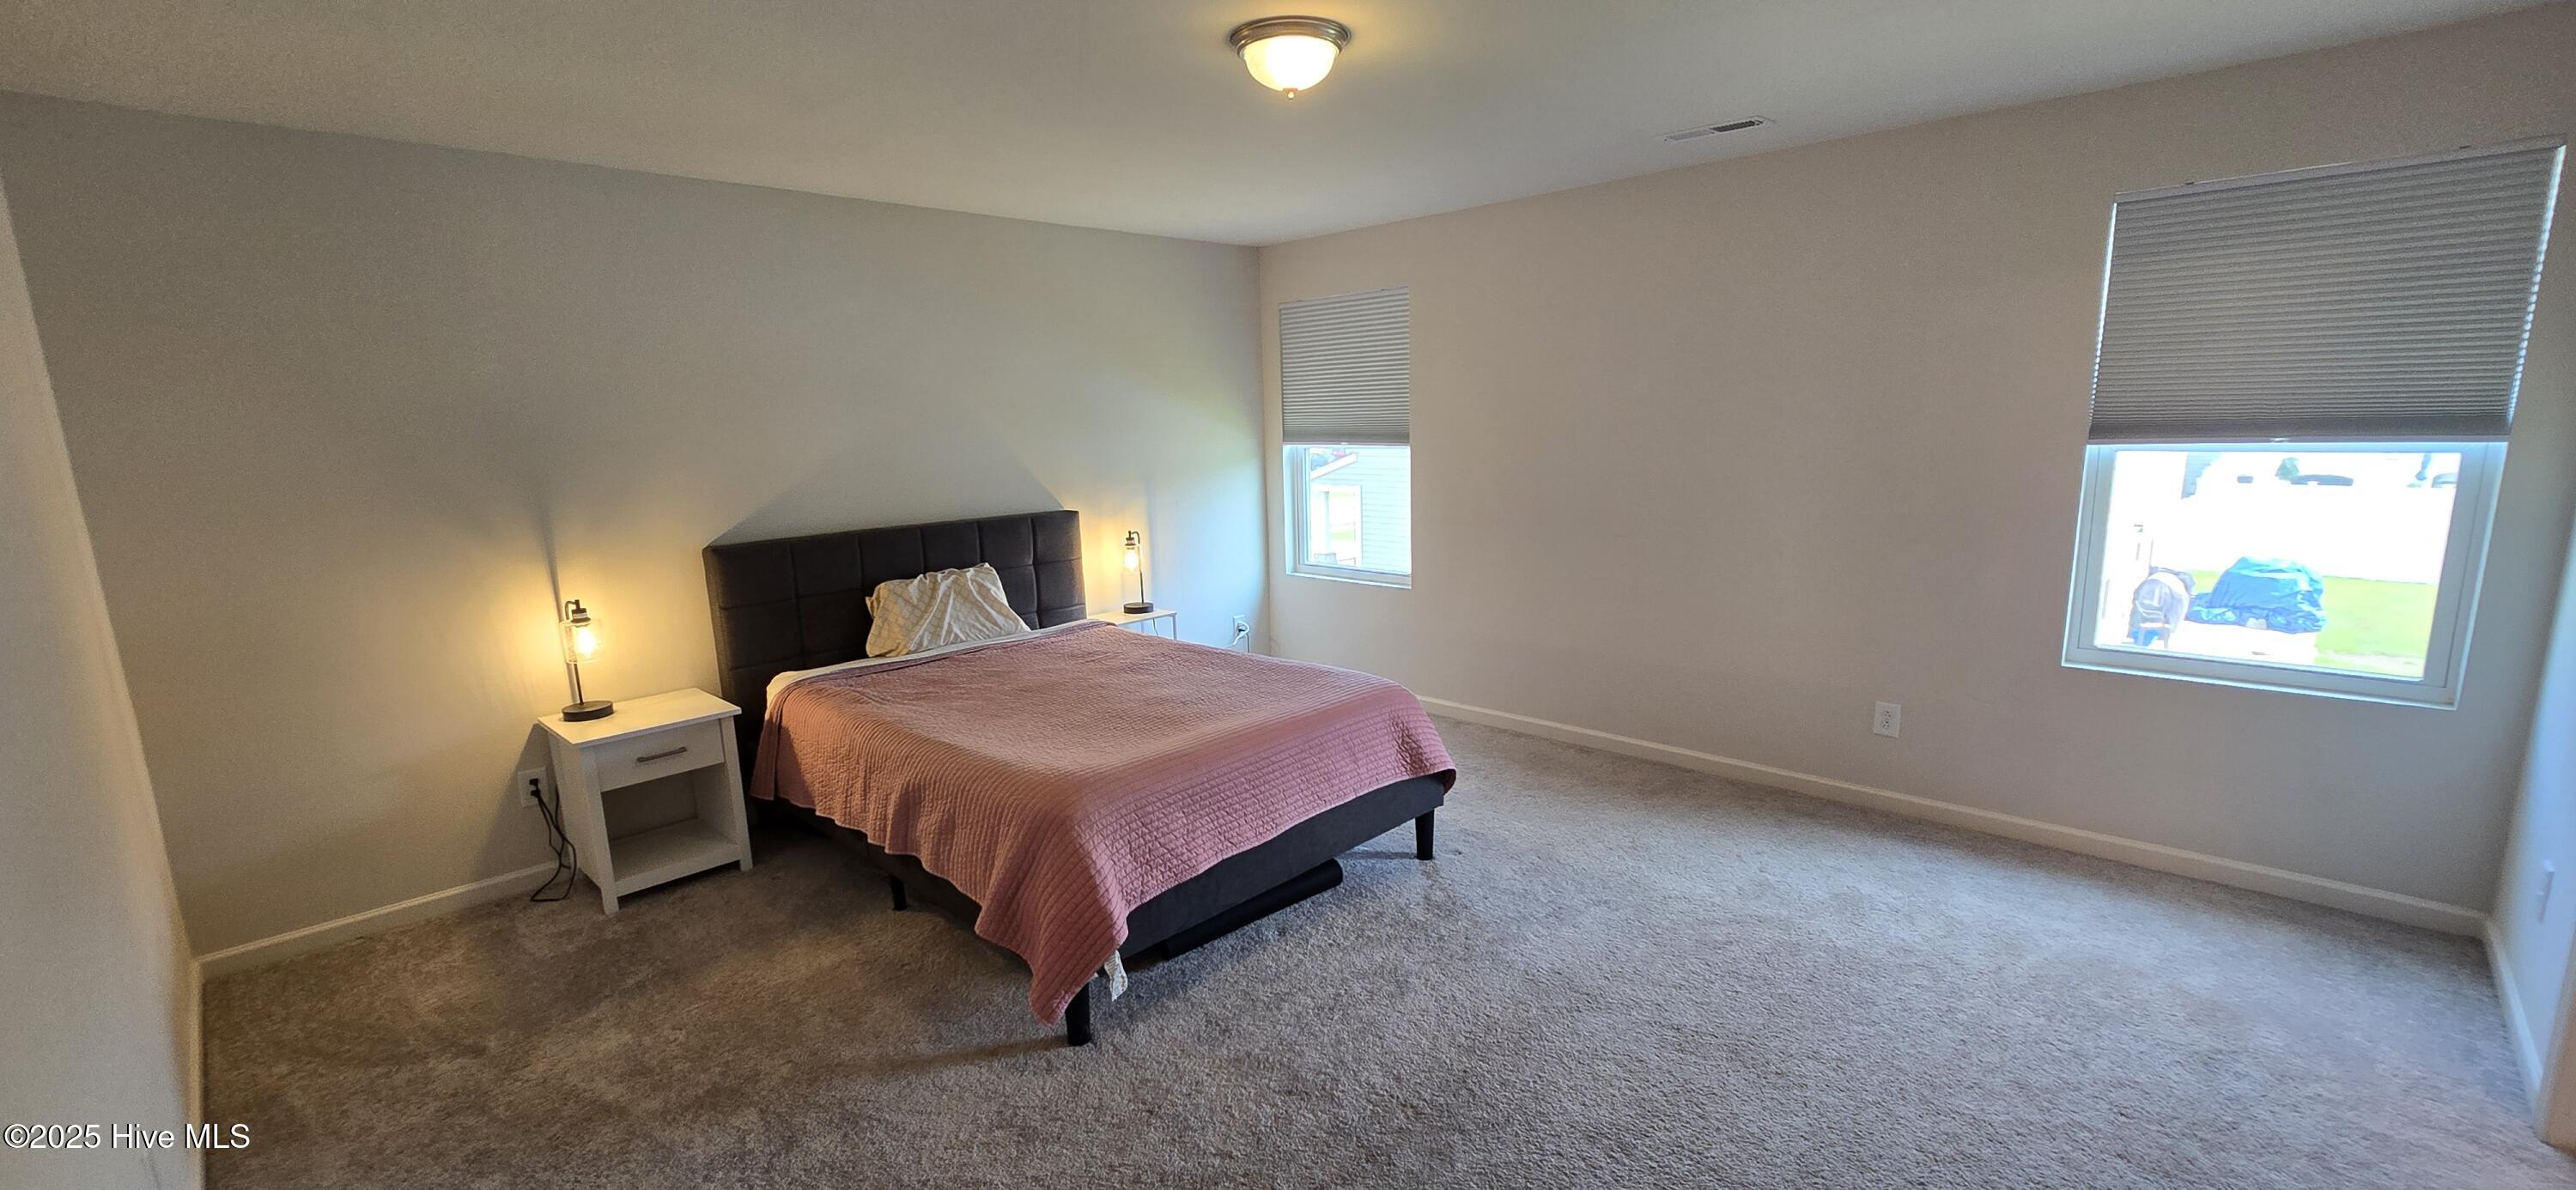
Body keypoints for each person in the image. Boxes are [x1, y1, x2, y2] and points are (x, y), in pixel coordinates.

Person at [2129, 568, 2193, 648]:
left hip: (2150, 582)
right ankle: (2151, 636)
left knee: (2143, 610)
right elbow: (2178, 613)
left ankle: (2141, 634)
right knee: (2165, 619)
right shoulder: (2181, 589)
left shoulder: (2164, 577)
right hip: (2170, 588)